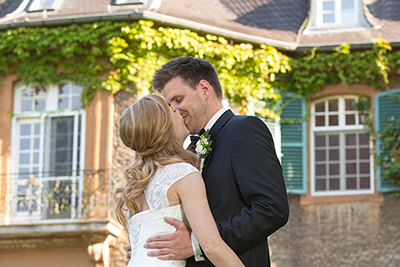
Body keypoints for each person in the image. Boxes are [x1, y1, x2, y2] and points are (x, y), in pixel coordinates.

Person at [140, 56, 290, 266]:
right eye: (170, 104)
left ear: (204, 89)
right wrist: (152, 245)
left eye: (178, 99)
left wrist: (196, 243)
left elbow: (272, 208)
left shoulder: (244, 129)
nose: (174, 110)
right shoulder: (188, 150)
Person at [114, 94, 245, 267]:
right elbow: (212, 247)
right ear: (163, 126)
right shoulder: (183, 174)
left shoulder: (136, 185)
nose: (179, 112)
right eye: (172, 110)